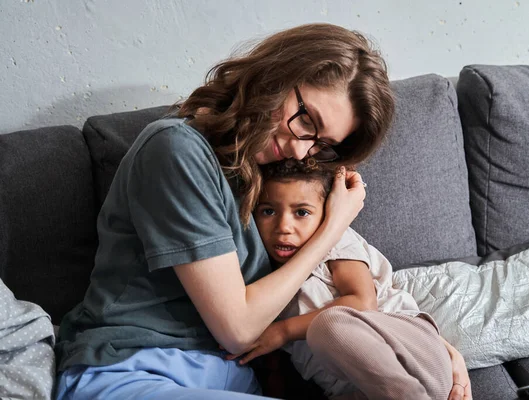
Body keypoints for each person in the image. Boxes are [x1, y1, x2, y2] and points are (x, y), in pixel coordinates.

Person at [53, 23, 468, 400]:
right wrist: (335, 224)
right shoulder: (176, 150)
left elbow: (357, 295)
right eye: (307, 121)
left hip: (231, 378)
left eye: (320, 144)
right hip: (134, 368)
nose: (301, 148)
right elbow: (238, 330)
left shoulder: (268, 177)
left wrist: (424, 346)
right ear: (277, 74)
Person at [224, 159, 471, 400]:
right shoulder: (263, 277)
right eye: (268, 211)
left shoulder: (335, 241)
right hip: (359, 391)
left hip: (413, 359)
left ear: (327, 214)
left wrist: (283, 331)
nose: (283, 226)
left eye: (302, 212)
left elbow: (363, 302)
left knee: (325, 326)